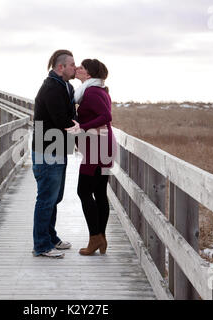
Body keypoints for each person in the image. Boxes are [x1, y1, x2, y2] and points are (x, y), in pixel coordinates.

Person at [31, 49, 80, 258]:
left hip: (58, 147)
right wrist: (77, 127)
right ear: (61, 67)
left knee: (55, 197)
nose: (75, 68)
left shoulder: (65, 86)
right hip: (47, 149)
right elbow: (61, 119)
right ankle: (41, 245)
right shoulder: (51, 88)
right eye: (71, 65)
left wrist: (75, 126)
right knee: (46, 198)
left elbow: (70, 115)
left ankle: (50, 236)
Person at [66, 58, 116, 255]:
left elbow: (106, 116)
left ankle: (95, 237)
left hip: (97, 147)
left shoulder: (93, 91)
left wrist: (82, 126)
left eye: (81, 67)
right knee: (99, 192)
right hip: (100, 145)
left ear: (88, 74)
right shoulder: (96, 89)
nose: (77, 68)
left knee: (83, 191)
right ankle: (101, 238)